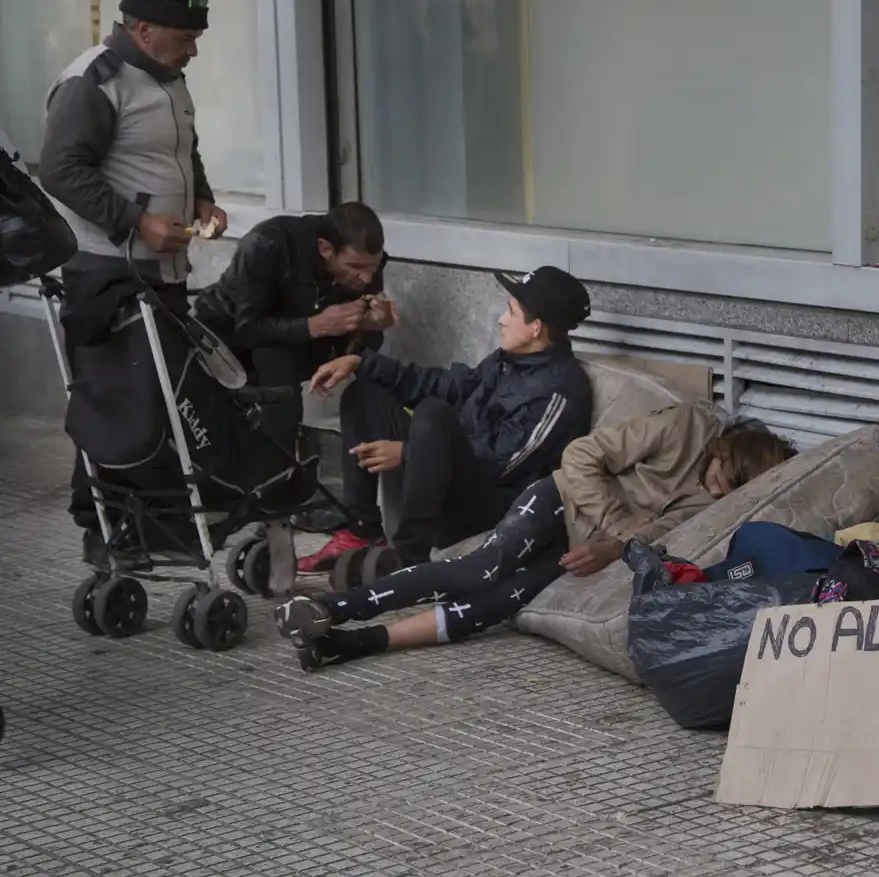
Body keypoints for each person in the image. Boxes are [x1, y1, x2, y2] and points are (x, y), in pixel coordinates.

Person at [273, 403, 798, 671]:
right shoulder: (684, 426)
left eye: (726, 491)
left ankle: (349, 644)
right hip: (560, 497)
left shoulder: (712, 504)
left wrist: (615, 548)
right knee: (479, 569)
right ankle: (333, 609)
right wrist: (613, 526)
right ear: (726, 450)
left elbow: (658, 535)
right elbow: (583, 456)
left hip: (589, 545)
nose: (714, 488)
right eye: (720, 475)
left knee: (492, 605)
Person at [37, 0, 228, 563]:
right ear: (143, 29)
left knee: (164, 401)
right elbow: (62, 172)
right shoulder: (94, 81)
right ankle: (106, 530)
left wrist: (201, 197)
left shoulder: (168, 78)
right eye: (185, 36)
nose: (194, 48)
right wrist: (137, 222)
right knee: (119, 404)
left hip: (161, 270)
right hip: (107, 273)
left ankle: (153, 530)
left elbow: (180, 149)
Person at [296, 266, 595, 574]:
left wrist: (408, 452)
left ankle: (409, 558)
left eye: (511, 311)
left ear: (536, 328)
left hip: (487, 510)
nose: (500, 320)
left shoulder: (559, 390)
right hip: (441, 478)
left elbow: (503, 463)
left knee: (432, 416)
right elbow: (448, 386)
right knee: (364, 395)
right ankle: (362, 531)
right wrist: (362, 362)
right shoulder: (508, 361)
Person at [193, 202, 393, 453]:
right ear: (325, 248)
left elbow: (354, 352)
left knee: (369, 374)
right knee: (273, 359)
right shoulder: (267, 244)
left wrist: (370, 328)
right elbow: (246, 328)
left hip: (295, 342)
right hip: (225, 338)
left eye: (372, 267)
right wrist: (315, 326)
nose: (366, 278)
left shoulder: (366, 267)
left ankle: (297, 462)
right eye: (356, 268)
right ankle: (279, 464)